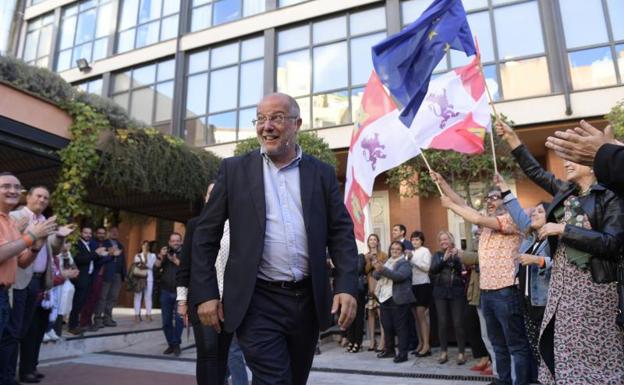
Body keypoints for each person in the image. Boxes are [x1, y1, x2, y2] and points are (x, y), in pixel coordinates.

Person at [192, 92, 357, 385]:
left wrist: (346, 285)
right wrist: (206, 294)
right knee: (275, 381)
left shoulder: (321, 173)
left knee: (293, 380)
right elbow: (205, 236)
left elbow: (341, 232)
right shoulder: (234, 171)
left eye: (277, 118)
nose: (266, 126)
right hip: (257, 301)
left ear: (297, 124)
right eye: (261, 118)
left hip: (306, 301)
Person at [497, 120, 624, 385]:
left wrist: (563, 229)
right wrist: (513, 141)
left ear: (593, 165)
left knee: (597, 361)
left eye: (574, 159)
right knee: (562, 355)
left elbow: (612, 244)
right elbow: (535, 172)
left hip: (595, 295)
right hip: (561, 294)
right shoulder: (567, 193)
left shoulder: (610, 196)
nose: (566, 162)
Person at [431, 171, 533, 385]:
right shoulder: (486, 226)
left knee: (515, 344)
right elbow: (465, 206)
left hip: (506, 290)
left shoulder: (511, 220)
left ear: (505, 201)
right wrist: (443, 183)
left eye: (494, 197)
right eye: (487, 198)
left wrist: (449, 205)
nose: (489, 201)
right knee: (497, 344)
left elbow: (473, 216)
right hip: (487, 292)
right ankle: (502, 380)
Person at [177, 183, 248, 385]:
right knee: (208, 352)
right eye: (211, 194)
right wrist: (182, 300)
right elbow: (185, 266)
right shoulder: (195, 224)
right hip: (202, 299)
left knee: (223, 354)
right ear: (206, 198)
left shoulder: (238, 226)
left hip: (229, 301)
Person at [2, 186, 72, 384]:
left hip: (40, 280)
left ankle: (21, 371)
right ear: (29, 197)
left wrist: (59, 236)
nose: (42, 200)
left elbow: (54, 251)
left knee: (25, 330)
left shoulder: (45, 222)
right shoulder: (13, 217)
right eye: (38, 196)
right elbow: (9, 246)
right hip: (18, 280)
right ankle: (6, 375)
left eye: (46, 197)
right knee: (12, 331)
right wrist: (26, 231)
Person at [495, 174, 552, 364]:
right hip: (527, 302)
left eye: (540, 212)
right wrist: (504, 186)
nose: (534, 214)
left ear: (550, 217)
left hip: (544, 303)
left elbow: (560, 266)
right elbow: (517, 211)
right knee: (536, 350)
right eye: (533, 212)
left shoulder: (555, 240)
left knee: (550, 350)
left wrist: (538, 261)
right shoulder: (530, 237)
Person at [545, 121, 624, 196]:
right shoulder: (568, 192)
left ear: (592, 168)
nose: (566, 165)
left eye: (573, 160)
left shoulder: (607, 192)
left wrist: (606, 155)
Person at [373, 240, 415, 363]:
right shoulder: (387, 261)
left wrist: (382, 269)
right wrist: (378, 268)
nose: (395, 251)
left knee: (401, 327)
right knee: (387, 326)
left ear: (401, 251)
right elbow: (376, 275)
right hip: (384, 297)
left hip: (399, 298)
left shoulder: (405, 263)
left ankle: (403, 354)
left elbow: (399, 277)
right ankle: (389, 350)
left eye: (397, 249)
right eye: (393, 249)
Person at [430, 231, 467, 365]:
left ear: (451, 240)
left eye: (445, 239)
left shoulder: (458, 253)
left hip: (456, 291)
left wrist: (456, 258)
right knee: (443, 322)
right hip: (440, 291)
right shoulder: (437, 255)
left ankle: (461, 353)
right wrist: (443, 259)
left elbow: (462, 271)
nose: (443, 242)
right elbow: (433, 270)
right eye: (441, 240)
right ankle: (444, 352)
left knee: (458, 323)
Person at [461, 228, 495, 377]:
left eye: (481, 232)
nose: (478, 235)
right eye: (477, 233)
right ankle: (488, 360)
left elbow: (480, 258)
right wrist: (475, 258)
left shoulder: (494, 245)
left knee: (492, 332)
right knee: (484, 333)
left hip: (492, 292)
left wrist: (475, 258)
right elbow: (465, 257)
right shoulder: (476, 244)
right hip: (476, 294)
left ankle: (496, 364)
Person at [67, 226, 101, 335]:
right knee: (77, 302)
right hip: (80, 277)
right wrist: (96, 254)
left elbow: (92, 259)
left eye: (90, 233)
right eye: (86, 233)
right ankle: (72, 326)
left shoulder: (90, 245)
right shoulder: (76, 244)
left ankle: (77, 324)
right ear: (81, 233)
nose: (88, 235)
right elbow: (79, 259)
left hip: (89, 277)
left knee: (82, 302)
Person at [155, 232, 184, 356]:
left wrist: (175, 260)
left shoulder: (186, 253)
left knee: (179, 319)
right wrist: (161, 256)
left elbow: (187, 268)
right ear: (169, 242)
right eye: (173, 241)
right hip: (166, 291)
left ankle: (176, 344)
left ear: (181, 242)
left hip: (180, 291)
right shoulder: (164, 254)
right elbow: (155, 268)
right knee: (166, 321)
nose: (175, 243)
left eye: (177, 240)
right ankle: (171, 344)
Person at [407, 230, 432, 357]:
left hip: (423, 284)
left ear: (421, 240)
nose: (415, 242)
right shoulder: (411, 252)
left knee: (421, 315)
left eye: (417, 239)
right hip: (412, 285)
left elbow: (427, 268)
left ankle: (427, 345)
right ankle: (420, 343)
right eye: (413, 239)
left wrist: (412, 260)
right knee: (415, 317)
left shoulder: (425, 251)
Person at [81, 226, 112, 330]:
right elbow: (97, 261)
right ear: (96, 234)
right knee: (89, 299)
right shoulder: (93, 244)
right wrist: (110, 256)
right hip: (94, 275)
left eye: (103, 233)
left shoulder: (106, 244)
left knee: (95, 300)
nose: (101, 235)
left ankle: (88, 322)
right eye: (99, 233)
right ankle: (85, 322)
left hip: (102, 276)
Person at [94, 226, 125, 327]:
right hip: (106, 274)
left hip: (117, 275)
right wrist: (111, 253)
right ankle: (98, 319)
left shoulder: (120, 245)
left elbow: (123, 261)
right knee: (102, 297)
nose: (115, 233)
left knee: (113, 297)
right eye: (112, 231)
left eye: (116, 231)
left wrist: (123, 274)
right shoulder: (104, 243)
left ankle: (107, 318)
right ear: (109, 233)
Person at [363, 233, 387, 352]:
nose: (372, 241)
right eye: (370, 240)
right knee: (371, 314)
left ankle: (383, 340)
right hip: (370, 287)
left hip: (380, 287)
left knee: (381, 314)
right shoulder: (365, 255)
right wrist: (368, 260)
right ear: (368, 242)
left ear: (377, 242)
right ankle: (372, 340)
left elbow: (383, 269)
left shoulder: (383, 254)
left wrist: (375, 260)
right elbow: (365, 270)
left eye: (374, 239)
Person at [345, 250, 366, 353]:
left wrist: (346, 268)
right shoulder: (344, 258)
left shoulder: (360, 256)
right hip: (347, 291)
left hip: (358, 291)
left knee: (358, 317)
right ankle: (351, 340)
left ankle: (358, 341)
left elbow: (359, 269)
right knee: (349, 317)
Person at [133, 241, 156, 323]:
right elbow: (137, 265)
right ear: (141, 246)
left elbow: (150, 265)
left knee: (148, 296)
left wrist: (145, 258)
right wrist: (144, 263)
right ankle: (136, 315)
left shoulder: (153, 255)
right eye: (144, 245)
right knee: (137, 296)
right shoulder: (137, 255)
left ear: (149, 247)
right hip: (139, 278)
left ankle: (148, 315)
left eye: (147, 245)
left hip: (149, 278)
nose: (145, 247)